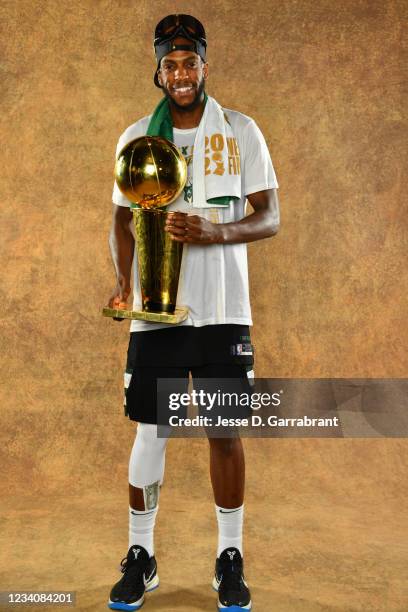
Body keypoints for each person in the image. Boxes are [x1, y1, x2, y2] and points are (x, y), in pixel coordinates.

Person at [107, 14, 280, 612]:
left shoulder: (240, 130)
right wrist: (123, 284)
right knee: (151, 430)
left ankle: (229, 556)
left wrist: (215, 229)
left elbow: (270, 216)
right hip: (156, 313)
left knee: (223, 432)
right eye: (170, 64)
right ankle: (140, 556)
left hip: (225, 311)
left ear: (205, 66)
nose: (180, 74)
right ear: (158, 72)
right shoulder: (136, 135)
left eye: (190, 62)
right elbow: (122, 221)